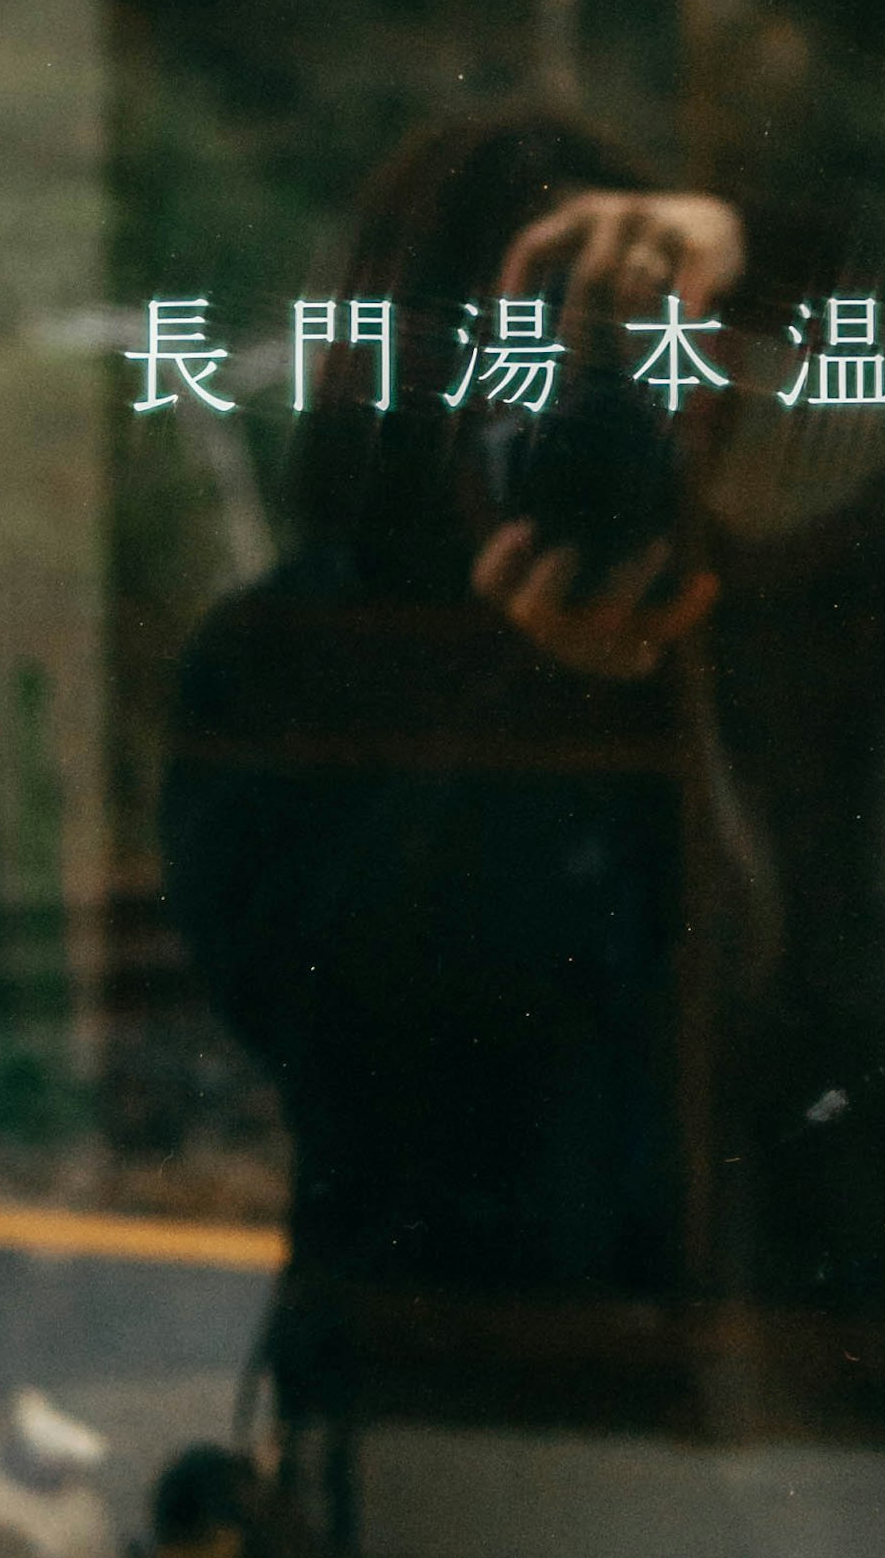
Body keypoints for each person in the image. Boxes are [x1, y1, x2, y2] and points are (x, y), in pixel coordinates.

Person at [161, 111, 752, 1417]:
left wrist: (751, 248)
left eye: (625, 364)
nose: (574, 422)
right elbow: (340, 1034)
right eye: (526, 364)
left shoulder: (760, 616)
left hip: (803, 1372)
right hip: (459, 1392)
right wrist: (535, 697)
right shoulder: (290, 658)